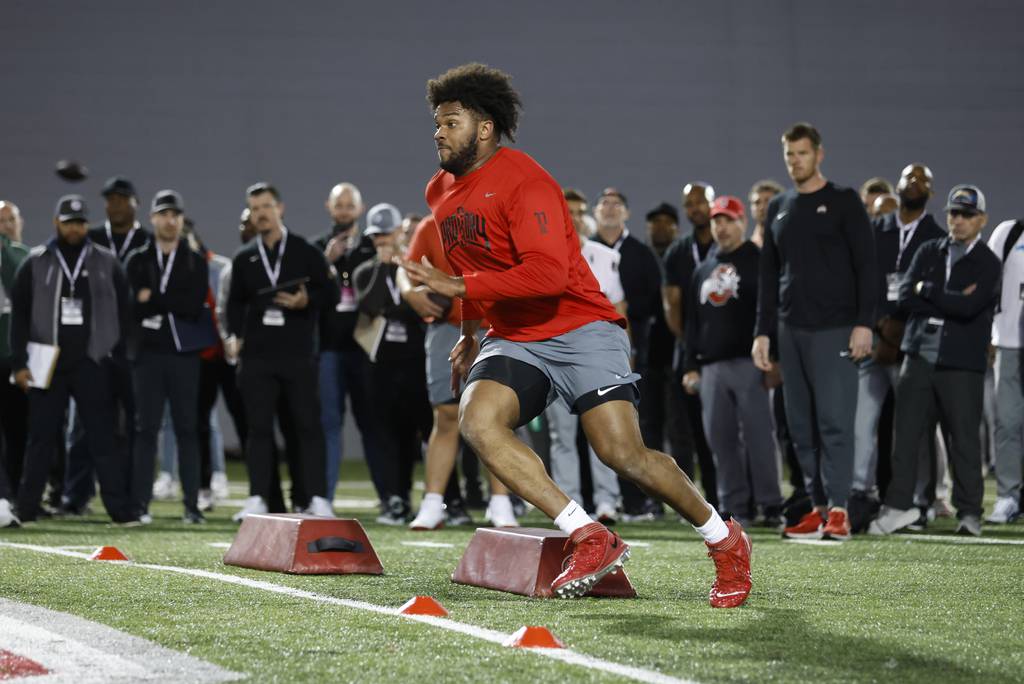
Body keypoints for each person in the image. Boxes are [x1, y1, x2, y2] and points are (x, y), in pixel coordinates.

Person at [401, 63, 751, 607]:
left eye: (450, 123)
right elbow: (477, 263)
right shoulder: (439, 191)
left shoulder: (527, 181)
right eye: (436, 124)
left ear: (485, 127)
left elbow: (549, 275)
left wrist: (455, 284)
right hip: (514, 335)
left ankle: (725, 540)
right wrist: (470, 332)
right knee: (477, 421)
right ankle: (588, 534)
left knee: (623, 454)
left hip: (578, 325)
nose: (438, 134)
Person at [753, 122, 876, 541]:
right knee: (800, 426)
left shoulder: (844, 202)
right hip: (791, 330)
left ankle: (840, 509)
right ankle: (818, 506)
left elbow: (867, 266)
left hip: (836, 328)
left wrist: (865, 323)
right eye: (789, 154)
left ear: (819, 154)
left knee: (834, 422)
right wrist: (763, 332)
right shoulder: (779, 207)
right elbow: (769, 276)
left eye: (802, 153)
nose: (795, 161)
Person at [869, 186, 1000, 537]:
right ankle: (901, 506)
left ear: (982, 220)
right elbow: (908, 295)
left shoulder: (987, 262)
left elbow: (971, 308)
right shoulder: (929, 249)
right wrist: (945, 298)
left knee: (964, 440)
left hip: (961, 362)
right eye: (954, 213)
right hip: (919, 356)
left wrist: (929, 292)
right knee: (907, 435)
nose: (958, 220)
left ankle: (970, 512)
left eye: (967, 214)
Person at [9, 195, 137, 524]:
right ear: (56, 223)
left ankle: (120, 510)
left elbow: (125, 313)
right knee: (40, 438)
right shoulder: (36, 261)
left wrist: (117, 360)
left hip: (92, 362)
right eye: (69, 222)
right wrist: (19, 364)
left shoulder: (106, 261)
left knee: (102, 437)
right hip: (45, 360)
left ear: (87, 224)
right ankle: (26, 508)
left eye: (80, 222)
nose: (75, 228)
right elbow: (19, 317)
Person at [225, 183, 334, 520]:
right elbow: (234, 304)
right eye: (254, 208)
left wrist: (307, 301)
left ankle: (316, 497)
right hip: (257, 357)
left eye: (266, 206)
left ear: (280, 208)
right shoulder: (244, 258)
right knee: (257, 429)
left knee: (306, 427)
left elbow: (329, 293)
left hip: (298, 355)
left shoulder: (304, 251)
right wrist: (233, 336)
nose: (261, 213)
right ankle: (258, 496)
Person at [402, 215, 517, 530]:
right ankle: (432, 504)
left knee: (497, 418)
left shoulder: (501, 220)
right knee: (445, 416)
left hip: (496, 327)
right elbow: (407, 271)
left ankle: (500, 502)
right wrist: (409, 293)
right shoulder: (431, 225)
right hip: (448, 328)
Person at [851, 164, 944, 527]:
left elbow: (932, 291)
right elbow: (863, 280)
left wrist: (899, 332)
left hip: (913, 342)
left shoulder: (936, 235)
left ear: (931, 192)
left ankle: (923, 500)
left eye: (923, 180)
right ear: (899, 184)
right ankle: (861, 492)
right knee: (863, 421)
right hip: (875, 340)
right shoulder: (875, 229)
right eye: (910, 178)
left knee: (916, 427)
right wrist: (878, 327)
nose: (916, 184)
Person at [683, 197, 782, 527]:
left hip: (750, 362)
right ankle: (734, 505)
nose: (721, 227)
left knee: (759, 436)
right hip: (711, 366)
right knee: (720, 438)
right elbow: (692, 322)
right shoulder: (702, 270)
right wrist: (690, 365)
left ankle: (769, 503)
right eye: (716, 221)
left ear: (742, 222)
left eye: (727, 220)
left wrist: (775, 358)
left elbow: (771, 310)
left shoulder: (760, 260)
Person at [63, 177, 152, 514]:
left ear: (135, 203)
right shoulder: (91, 239)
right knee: (85, 423)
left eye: (121, 199)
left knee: (133, 423)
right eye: (110, 200)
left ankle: (131, 493)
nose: (115, 205)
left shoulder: (147, 241)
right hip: (92, 346)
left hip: (135, 345)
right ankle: (76, 495)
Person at [124, 190, 210, 524]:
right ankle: (140, 505)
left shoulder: (194, 260)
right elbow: (131, 304)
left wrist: (155, 298)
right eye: (163, 214)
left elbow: (192, 306)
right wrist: (168, 300)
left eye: (175, 215)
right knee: (145, 429)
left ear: (181, 220)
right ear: (153, 218)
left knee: (187, 428)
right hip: (146, 355)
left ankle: (192, 506)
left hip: (182, 354)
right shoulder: (137, 259)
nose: (169, 220)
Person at [543, 188, 627, 523]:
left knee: (604, 432)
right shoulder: (543, 255)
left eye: (579, 212)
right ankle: (571, 505)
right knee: (561, 436)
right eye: (569, 212)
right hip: (556, 353)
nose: (575, 218)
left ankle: (607, 501)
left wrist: (622, 355)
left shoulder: (605, 256)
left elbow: (619, 309)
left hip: (597, 356)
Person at [591, 186, 674, 520]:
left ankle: (645, 499)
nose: (610, 209)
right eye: (605, 203)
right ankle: (602, 499)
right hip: (590, 349)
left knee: (642, 427)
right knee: (598, 427)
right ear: (596, 212)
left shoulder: (641, 254)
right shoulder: (583, 250)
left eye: (617, 204)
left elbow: (654, 305)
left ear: (626, 213)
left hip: (635, 352)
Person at [352, 203, 434, 524]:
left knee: (429, 429)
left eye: (387, 235)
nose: (382, 242)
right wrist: (382, 269)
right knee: (388, 433)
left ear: (399, 232)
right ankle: (395, 498)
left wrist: (397, 278)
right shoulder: (364, 271)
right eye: (376, 237)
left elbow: (423, 309)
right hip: (381, 364)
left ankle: (445, 499)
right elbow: (370, 305)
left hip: (416, 360)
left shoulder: (416, 267)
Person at [315, 183, 381, 502]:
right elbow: (311, 296)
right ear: (328, 207)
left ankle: (388, 499)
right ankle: (323, 499)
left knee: (372, 422)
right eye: (338, 205)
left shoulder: (371, 247)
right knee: (329, 423)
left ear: (360, 208)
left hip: (364, 348)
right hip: (328, 348)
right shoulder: (316, 249)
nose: (343, 211)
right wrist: (327, 263)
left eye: (349, 205)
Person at [662, 182, 720, 511]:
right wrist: (691, 343)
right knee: (687, 433)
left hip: (724, 350)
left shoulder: (725, 244)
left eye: (701, 202)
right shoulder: (678, 251)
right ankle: (694, 503)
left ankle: (726, 497)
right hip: (687, 352)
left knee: (721, 433)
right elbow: (672, 306)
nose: (696, 208)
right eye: (689, 204)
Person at [986, 214, 1024, 523]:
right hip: (1011, 342)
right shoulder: (1009, 233)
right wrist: (988, 335)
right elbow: (985, 282)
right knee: (1009, 422)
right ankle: (1009, 495)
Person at [0, 206, 29, 527]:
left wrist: (4, 250)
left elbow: (16, 287)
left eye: (10, 221)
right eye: (0, 222)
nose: (6, 227)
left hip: (15, 357)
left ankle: (19, 495)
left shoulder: (23, 256)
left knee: (20, 430)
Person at [748, 180, 784, 248]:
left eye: (768, 201)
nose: (762, 207)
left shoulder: (791, 238)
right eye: (757, 202)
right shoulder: (748, 248)